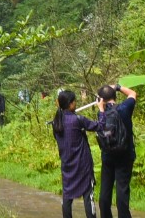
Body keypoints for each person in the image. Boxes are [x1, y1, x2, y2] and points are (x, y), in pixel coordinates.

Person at [92, 82, 138, 218]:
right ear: (115, 96)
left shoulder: (102, 113)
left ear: (101, 100)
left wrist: (100, 108)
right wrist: (117, 86)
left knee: (105, 192)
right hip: (125, 155)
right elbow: (133, 94)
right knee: (122, 191)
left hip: (108, 156)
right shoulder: (124, 108)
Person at [51, 89, 97, 218]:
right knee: (88, 196)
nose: (76, 103)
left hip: (67, 164)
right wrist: (102, 110)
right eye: (74, 101)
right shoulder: (78, 120)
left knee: (67, 197)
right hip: (83, 165)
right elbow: (97, 126)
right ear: (71, 104)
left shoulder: (56, 123)